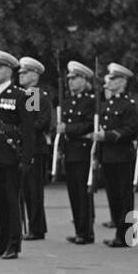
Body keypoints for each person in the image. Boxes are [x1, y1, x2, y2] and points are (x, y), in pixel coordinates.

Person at [0, 50, 35, 259]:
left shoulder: (22, 95)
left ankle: (13, 244)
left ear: (10, 70)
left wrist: (27, 158)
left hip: (10, 157)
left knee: (12, 202)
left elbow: (29, 130)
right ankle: (1, 242)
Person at [97, 63, 138, 248]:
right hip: (108, 156)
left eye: (113, 79)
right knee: (113, 195)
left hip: (122, 155)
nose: (109, 82)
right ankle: (119, 230)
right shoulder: (110, 104)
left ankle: (125, 233)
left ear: (122, 82)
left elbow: (130, 130)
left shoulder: (128, 104)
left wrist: (107, 135)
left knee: (124, 197)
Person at [58, 61, 96, 243]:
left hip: (83, 151)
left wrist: (68, 128)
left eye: (75, 78)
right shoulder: (67, 101)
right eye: (69, 79)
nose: (71, 82)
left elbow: (89, 124)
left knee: (83, 193)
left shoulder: (90, 102)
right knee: (74, 193)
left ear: (84, 80)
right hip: (70, 151)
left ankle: (86, 231)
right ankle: (79, 229)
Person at [18, 56, 53, 241]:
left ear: (35, 75)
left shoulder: (33, 95)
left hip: (35, 150)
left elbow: (38, 122)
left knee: (33, 191)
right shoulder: (26, 94)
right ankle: (36, 227)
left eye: (25, 73)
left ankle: (36, 228)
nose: (20, 75)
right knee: (28, 191)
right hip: (28, 149)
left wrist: (21, 130)